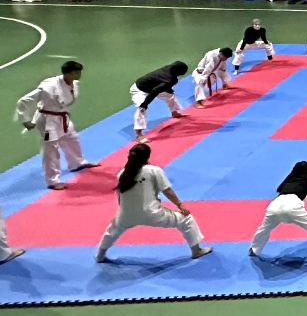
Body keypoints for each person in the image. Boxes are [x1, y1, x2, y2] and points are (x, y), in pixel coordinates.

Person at [96, 143, 212, 262]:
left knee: (113, 229)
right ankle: (196, 250)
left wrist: (124, 212)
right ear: (147, 157)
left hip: (126, 215)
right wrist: (180, 205)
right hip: (152, 213)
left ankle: (100, 255)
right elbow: (167, 190)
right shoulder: (154, 170)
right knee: (186, 219)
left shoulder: (122, 174)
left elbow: (120, 197)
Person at [16, 59, 98, 189]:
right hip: (48, 121)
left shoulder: (74, 83)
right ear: (67, 73)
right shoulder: (49, 86)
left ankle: (77, 163)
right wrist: (25, 120)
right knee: (51, 150)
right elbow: (24, 101)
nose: (79, 75)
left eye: (79, 72)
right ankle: (52, 181)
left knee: (72, 138)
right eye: (76, 73)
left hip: (62, 117)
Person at [130, 61, 188, 143]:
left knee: (170, 95)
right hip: (139, 90)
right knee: (142, 109)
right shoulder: (170, 79)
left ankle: (174, 112)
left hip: (153, 86)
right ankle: (139, 134)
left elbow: (163, 85)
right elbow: (155, 91)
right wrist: (145, 104)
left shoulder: (170, 68)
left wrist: (169, 90)